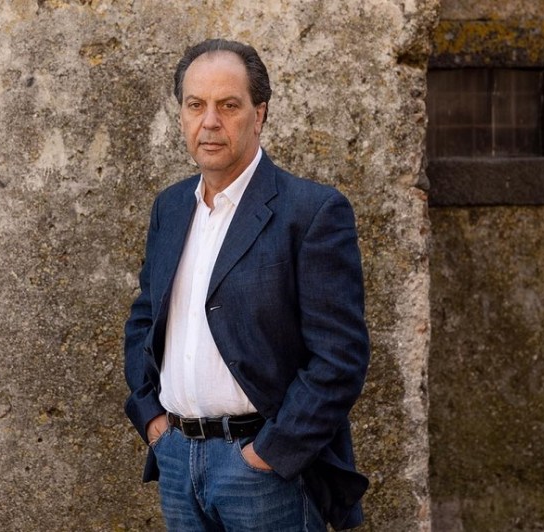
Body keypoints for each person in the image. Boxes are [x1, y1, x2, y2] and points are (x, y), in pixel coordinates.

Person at [124, 38, 370, 531]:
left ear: (259, 114)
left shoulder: (311, 212)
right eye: (195, 105)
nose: (210, 122)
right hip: (176, 460)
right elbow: (145, 319)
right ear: (181, 115)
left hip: (263, 473)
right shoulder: (170, 207)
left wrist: (269, 454)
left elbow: (340, 358)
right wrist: (153, 420)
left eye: (228, 105)